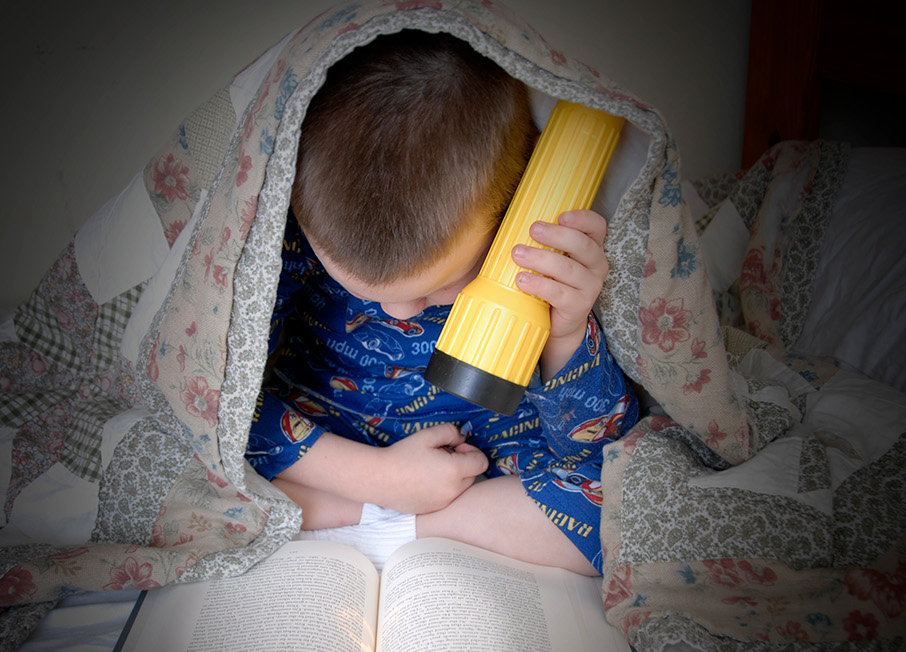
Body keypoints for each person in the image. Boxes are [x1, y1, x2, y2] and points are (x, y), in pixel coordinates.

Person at [245, 31, 638, 576]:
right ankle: (366, 513)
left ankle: (383, 529)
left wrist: (566, 333)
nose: (403, 312)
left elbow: (596, 443)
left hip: (486, 470)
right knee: (186, 457)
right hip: (323, 452)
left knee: (625, 504)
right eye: (365, 294)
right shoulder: (287, 237)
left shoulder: (541, 253)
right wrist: (373, 478)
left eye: (434, 286)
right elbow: (219, 401)